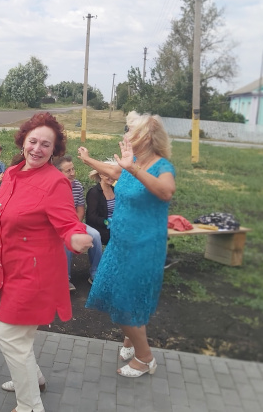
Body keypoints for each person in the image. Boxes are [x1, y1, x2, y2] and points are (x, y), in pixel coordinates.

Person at [0, 112, 93, 412]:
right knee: (3, 328)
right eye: (33, 141)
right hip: (7, 266)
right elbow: (1, 206)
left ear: (54, 150)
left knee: (12, 337)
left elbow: (68, 221)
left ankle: (30, 405)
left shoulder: (56, 182)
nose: (37, 149)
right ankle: (34, 378)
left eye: (46, 144)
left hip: (33, 273)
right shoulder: (13, 172)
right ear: (23, 141)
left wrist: (75, 237)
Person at [77, 111, 176, 378]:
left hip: (143, 247)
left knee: (123, 302)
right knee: (111, 292)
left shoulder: (162, 166)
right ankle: (131, 339)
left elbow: (166, 191)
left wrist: (133, 168)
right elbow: (113, 171)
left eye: (130, 131)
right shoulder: (134, 162)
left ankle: (145, 358)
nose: (126, 135)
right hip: (120, 244)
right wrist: (88, 159)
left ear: (145, 137)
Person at [53, 155, 103, 290]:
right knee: (66, 241)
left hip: (73, 223)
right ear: (58, 173)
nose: (72, 173)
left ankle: (96, 273)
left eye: (73, 169)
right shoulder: (52, 187)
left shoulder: (77, 186)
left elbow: (80, 210)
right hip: (57, 226)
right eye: (68, 171)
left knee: (95, 235)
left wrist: (75, 227)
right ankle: (65, 278)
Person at [85, 163, 117, 247]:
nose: (110, 177)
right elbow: (91, 217)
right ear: (101, 175)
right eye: (107, 175)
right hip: (101, 228)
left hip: (116, 225)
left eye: (112, 174)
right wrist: (106, 222)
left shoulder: (115, 190)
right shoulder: (94, 192)